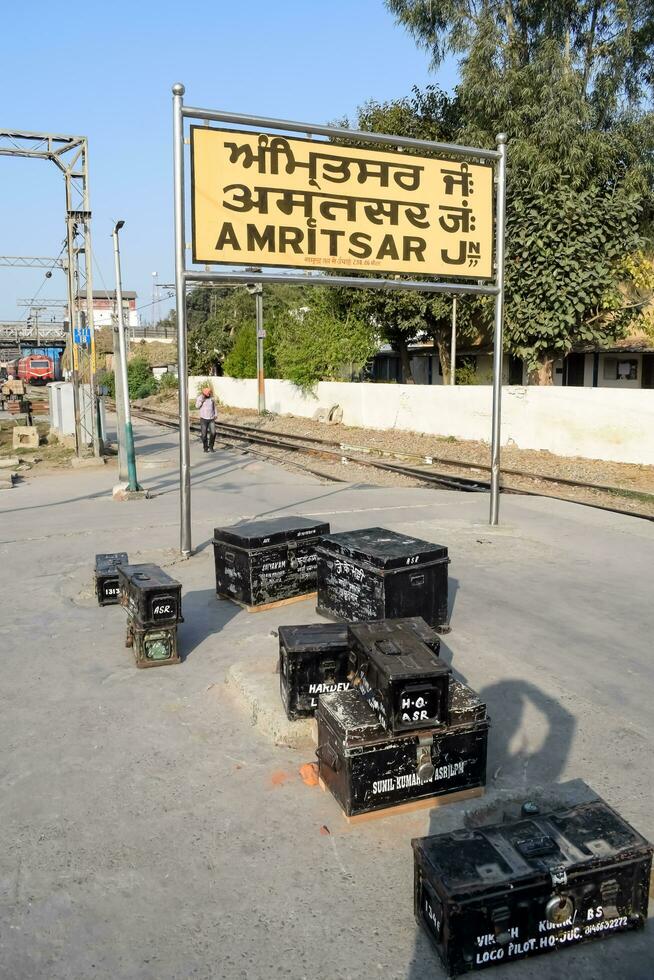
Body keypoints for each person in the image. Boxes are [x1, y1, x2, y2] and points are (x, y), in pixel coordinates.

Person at [196, 385, 217, 453]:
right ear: (204, 393)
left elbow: (214, 407)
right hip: (203, 419)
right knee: (204, 435)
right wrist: (202, 401)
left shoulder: (212, 398)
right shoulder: (200, 398)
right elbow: (197, 406)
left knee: (213, 433)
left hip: (211, 418)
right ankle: (205, 447)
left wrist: (215, 414)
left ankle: (211, 447)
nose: (209, 394)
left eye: (209, 393)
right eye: (208, 393)